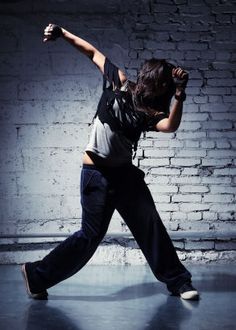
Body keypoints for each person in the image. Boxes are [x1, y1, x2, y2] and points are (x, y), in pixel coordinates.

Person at [21, 23, 199, 301]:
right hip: (96, 173)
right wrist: (63, 33)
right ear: (151, 78)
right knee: (89, 237)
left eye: (167, 86)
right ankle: (36, 275)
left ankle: (179, 282)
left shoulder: (150, 112)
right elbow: (92, 52)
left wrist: (180, 94)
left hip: (125, 176)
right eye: (164, 83)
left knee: (150, 225)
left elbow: (170, 126)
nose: (165, 87)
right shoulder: (120, 81)